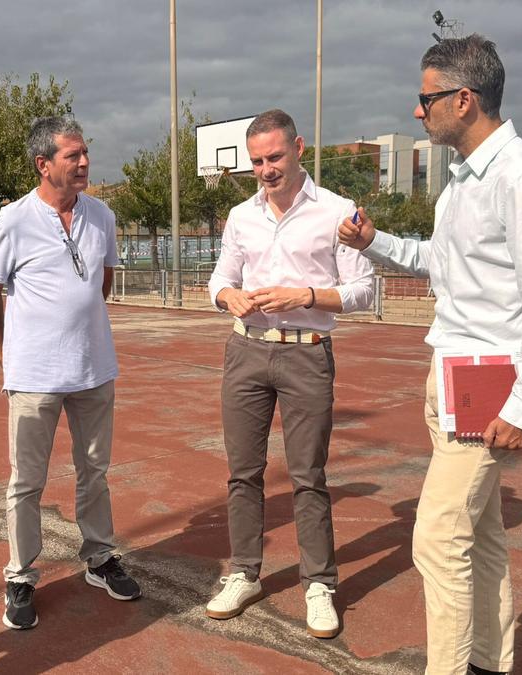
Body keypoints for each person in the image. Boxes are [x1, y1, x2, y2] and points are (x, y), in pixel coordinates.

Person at [339, 35, 522, 675]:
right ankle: (487, 663)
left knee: (438, 539)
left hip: (492, 389)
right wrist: (375, 241)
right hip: (449, 377)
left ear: (464, 100)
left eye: (427, 98)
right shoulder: (463, 183)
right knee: (483, 537)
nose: (418, 111)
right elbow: (439, 264)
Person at [204, 109, 376, 638]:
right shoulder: (241, 216)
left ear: (299, 148)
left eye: (274, 157)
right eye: (257, 161)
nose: (265, 169)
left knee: (307, 477)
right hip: (246, 351)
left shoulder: (337, 211)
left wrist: (305, 295)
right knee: (243, 472)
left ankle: (319, 584)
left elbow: (364, 291)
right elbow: (220, 278)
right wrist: (226, 295)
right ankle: (244, 573)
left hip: (307, 352)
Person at [0, 115, 140, 631]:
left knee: (94, 471)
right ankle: (21, 575)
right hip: (33, 376)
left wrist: (81, 328)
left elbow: (103, 281)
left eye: (85, 152)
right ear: (43, 164)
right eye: (72, 155)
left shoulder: (102, 216)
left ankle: (99, 558)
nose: (84, 162)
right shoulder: (13, 220)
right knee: (26, 481)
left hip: (94, 369)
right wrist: (5, 352)